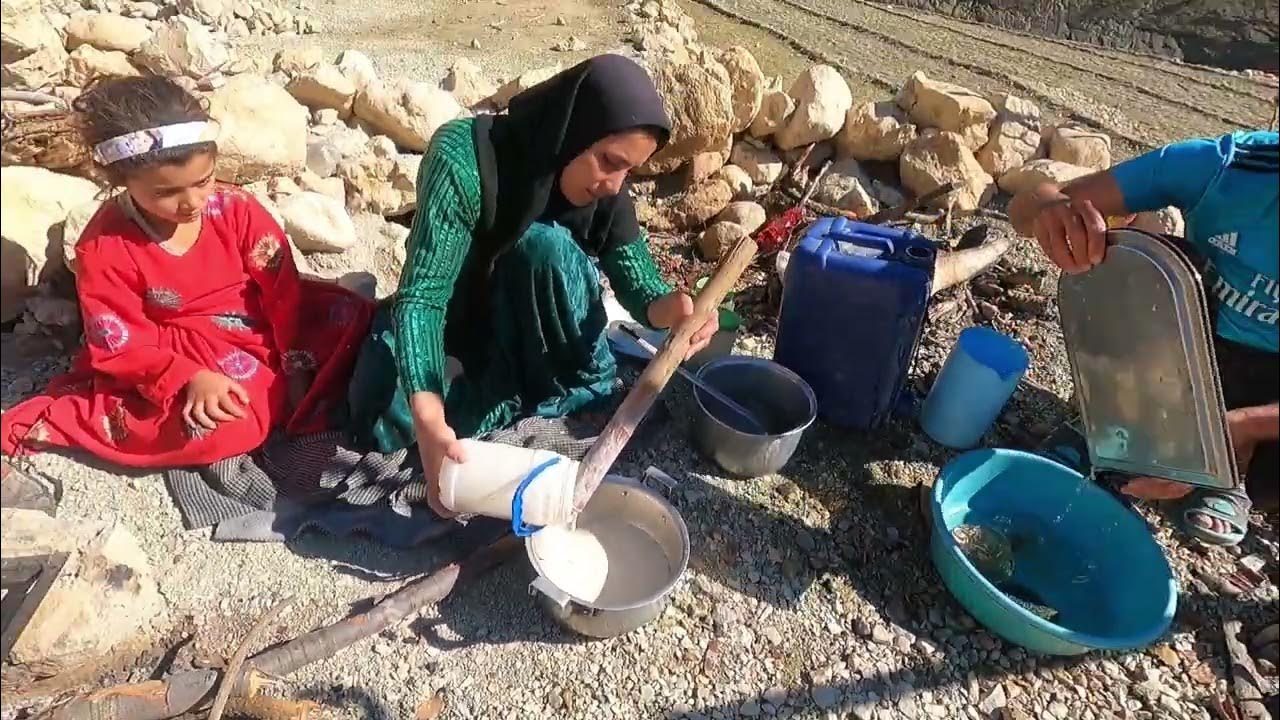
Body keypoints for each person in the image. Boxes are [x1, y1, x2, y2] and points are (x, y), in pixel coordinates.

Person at [345, 55, 718, 513]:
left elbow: (640, 288)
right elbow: (422, 297)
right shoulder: (464, 161)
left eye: (629, 171)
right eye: (608, 162)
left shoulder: (608, 190)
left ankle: (528, 399)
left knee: (545, 247)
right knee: (378, 407)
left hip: (549, 346)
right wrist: (428, 418)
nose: (613, 185)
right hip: (467, 324)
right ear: (574, 128)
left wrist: (676, 311)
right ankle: (496, 408)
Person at [0, 76, 374, 468]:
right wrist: (190, 377)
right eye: (166, 193)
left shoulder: (235, 209)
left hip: (262, 325)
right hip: (176, 351)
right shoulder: (105, 246)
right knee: (227, 424)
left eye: (203, 181)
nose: (191, 202)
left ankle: (283, 390)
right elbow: (121, 343)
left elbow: (283, 292)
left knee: (353, 322)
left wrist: (294, 362)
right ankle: (61, 419)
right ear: (120, 180)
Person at [1010, 129, 1278, 546]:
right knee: (1155, 260)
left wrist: (1243, 428)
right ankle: (1114, 423)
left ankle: (1229, 475)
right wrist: (1054, 211)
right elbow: (1029, 203)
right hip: (1189, 357)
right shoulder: (1229, 167)